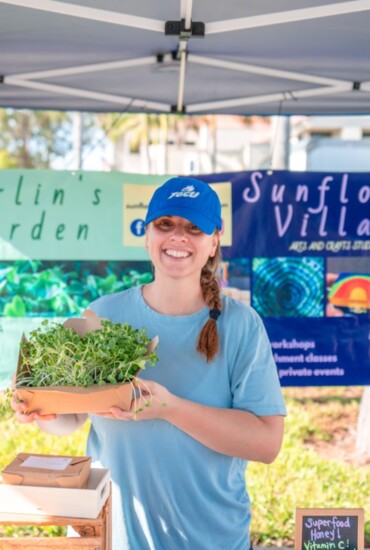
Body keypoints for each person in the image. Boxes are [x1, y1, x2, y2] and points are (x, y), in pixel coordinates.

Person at [11, 177, 287, 550]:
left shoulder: (240, 324)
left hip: (209, 538)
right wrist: (43, 410)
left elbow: (267, 443)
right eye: (165, 224)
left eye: (194, 228)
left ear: (214, 240)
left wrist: (168, 408)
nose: (178, 237)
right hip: (114, 536)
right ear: (147, 234)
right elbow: (74, 417)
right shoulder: (105, 314)